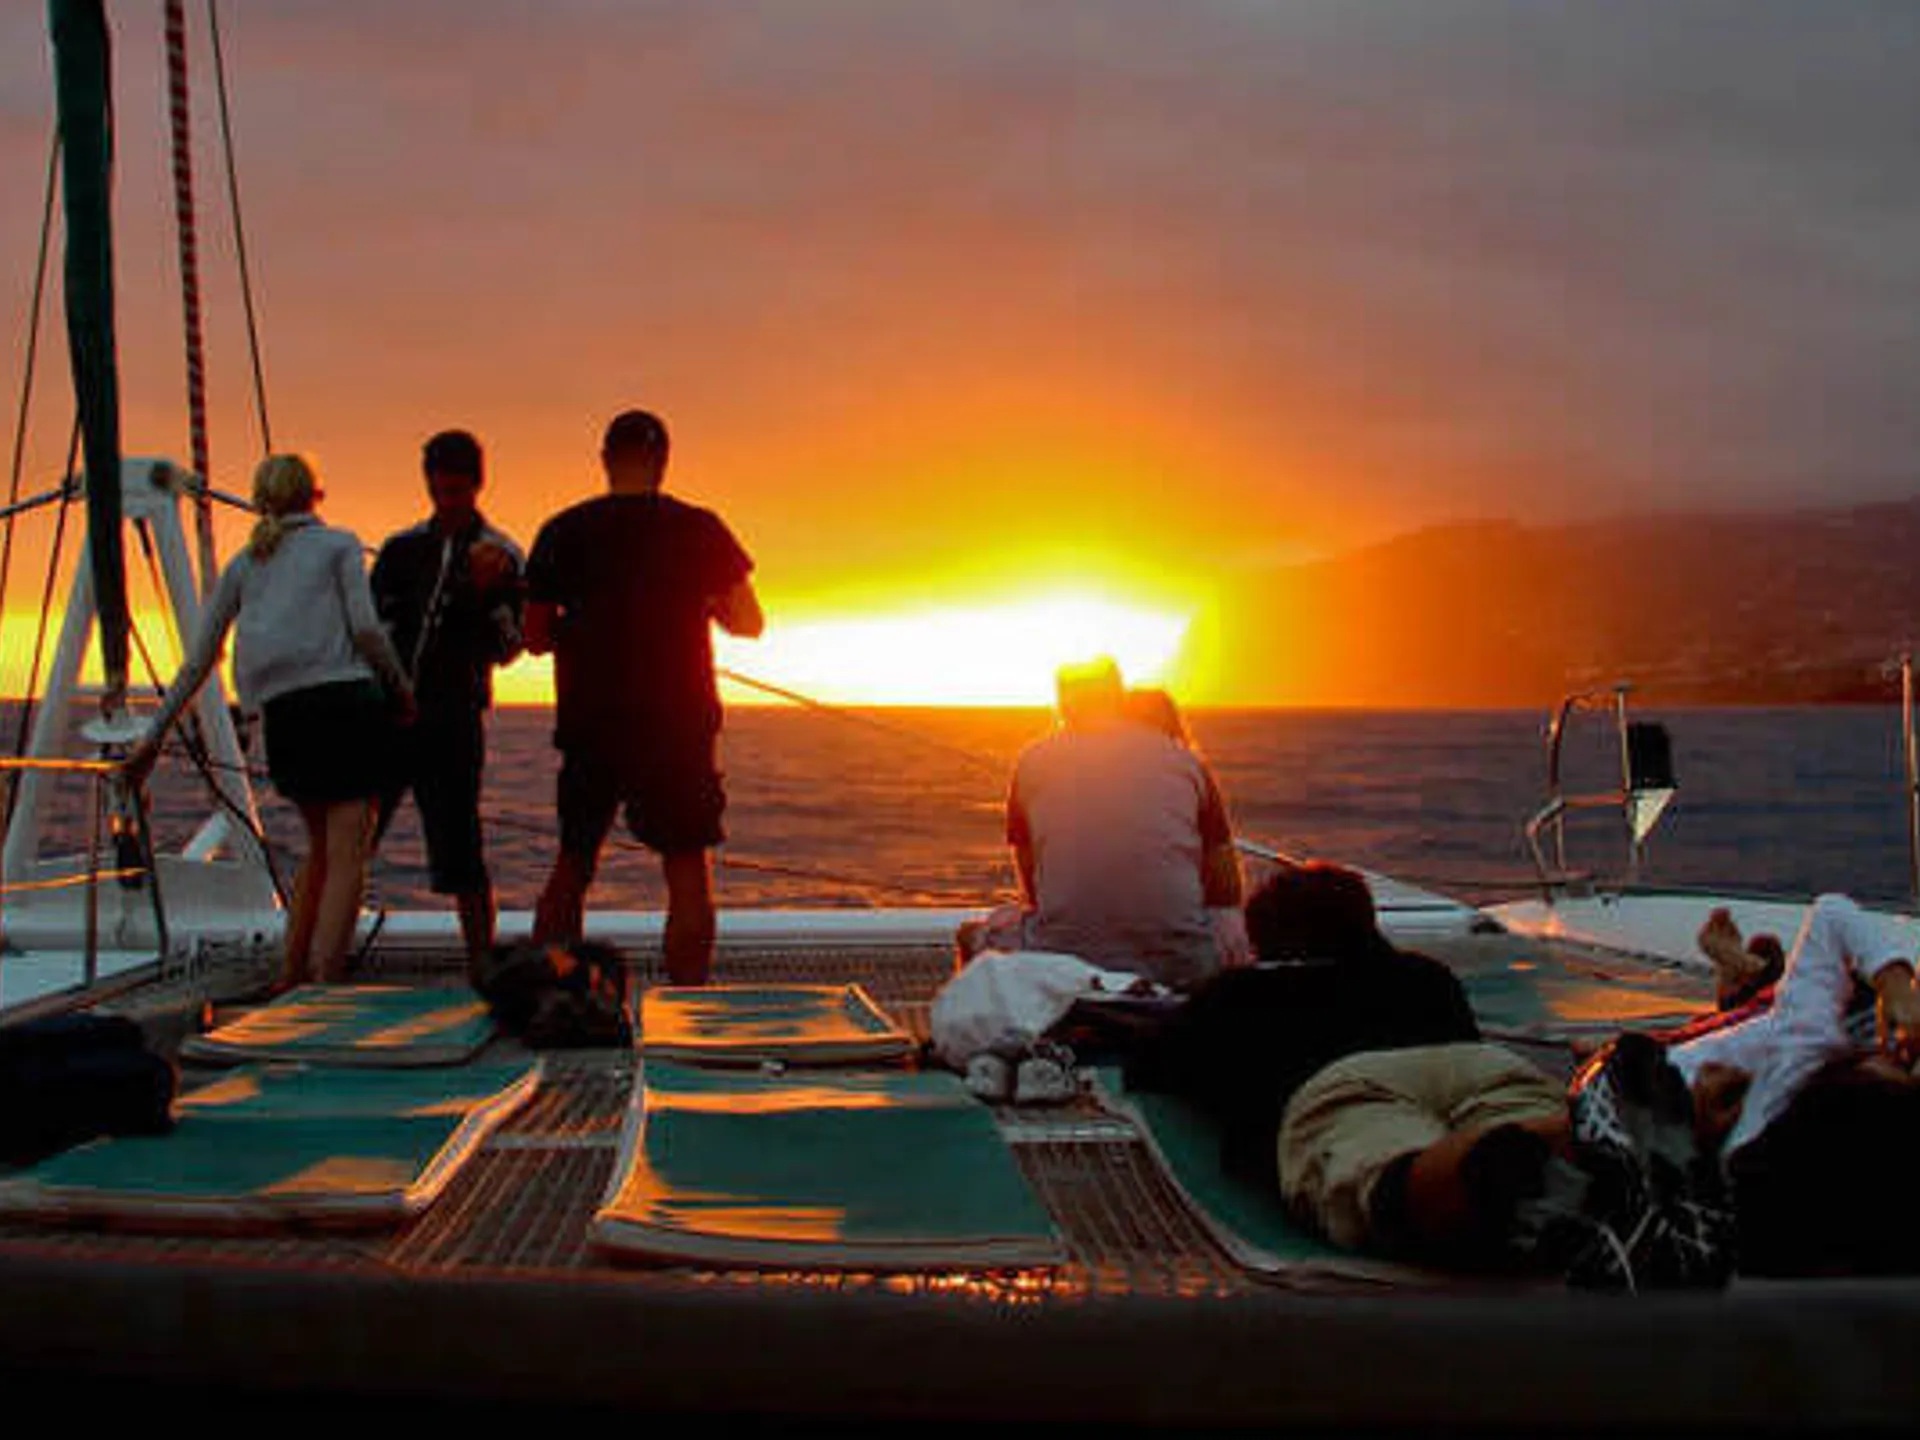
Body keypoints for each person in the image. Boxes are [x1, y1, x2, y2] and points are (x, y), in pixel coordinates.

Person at [127, 453, 415, 989]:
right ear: (315, 495)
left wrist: (151, 738)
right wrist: (401, 689)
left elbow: (198, 661)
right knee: (349, 849)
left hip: (285, 718)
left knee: (320, 849)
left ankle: (291, 970)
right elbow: (368, 630)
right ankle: (324, 983)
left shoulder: (244, 564)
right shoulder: (338, 545)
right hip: (345, 706)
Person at [522, 409, 762, 985]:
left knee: (573, 864)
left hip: (592, 720)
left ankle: (556, 999)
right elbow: (749, 621)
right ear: (664, 461)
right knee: (686, 868)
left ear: (605, 460)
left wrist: (577, 634)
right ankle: (686, 1008)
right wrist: (704, 609)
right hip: (678, 723)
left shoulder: (563, 531)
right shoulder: (700, 530)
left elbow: (531, 637)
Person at [956, 660, 1245, 988]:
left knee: (972, 937)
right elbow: (1225, 885)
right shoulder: (1185, 762)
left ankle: (979, 1034)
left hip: (1067, 964)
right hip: (1183, 963)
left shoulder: (1032, 761)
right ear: (1119, 696)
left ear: (1063, 701)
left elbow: (1033, 883)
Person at [370, 429, 524, 982]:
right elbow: (369, 628)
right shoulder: (399, 550)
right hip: (387, 717)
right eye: (441, 490)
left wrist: (491, 595)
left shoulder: (503, 555)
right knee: (356, 834)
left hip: (453, 717)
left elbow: (511, 649)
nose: (449, 501)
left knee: (460, 843)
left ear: (477, 485)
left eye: (459, 490)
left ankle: (482, 965)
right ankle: (323, 953)